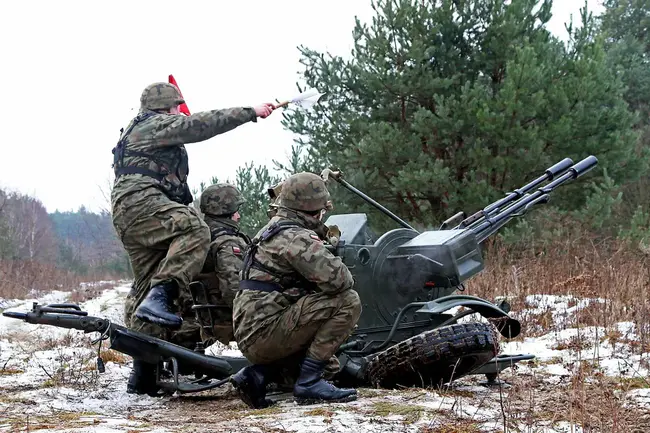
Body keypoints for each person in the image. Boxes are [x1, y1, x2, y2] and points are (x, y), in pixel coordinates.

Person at [111, 81, 275, 395]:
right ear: (166, 108)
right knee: (195, 228)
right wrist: (250, 113)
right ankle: (164, 293)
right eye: (176, 107)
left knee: (144, 288)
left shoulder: (138, 131)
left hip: (130, 212)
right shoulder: (153, 124)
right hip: (141, 204)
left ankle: (142, 376)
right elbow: (199, 125)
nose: (179, 113)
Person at [230, 172, 362, 408]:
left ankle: (257, 376)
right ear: (315, 209)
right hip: (265, 334)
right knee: (348, 301)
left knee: (330, 367)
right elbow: (341, 281)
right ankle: (309, 384)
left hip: (252, 333)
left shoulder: (272, 228)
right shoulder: (296, 237)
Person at [187, 183, 251, 346]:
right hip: (230, 330)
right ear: (226, 212)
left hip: (209, 324)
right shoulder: (227, 243)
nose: (238, 217)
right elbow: (235, 291)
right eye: (236, 211)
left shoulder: (200, 238)